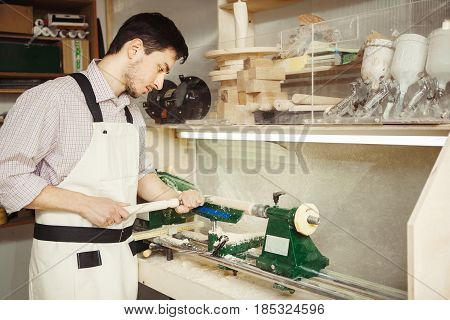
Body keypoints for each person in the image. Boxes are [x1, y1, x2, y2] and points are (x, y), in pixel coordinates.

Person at [0, 12, 203, 300]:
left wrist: (172, 197)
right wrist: (85, 204)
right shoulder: (52, 98)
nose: (159, 84)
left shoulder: (132, 113)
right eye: (160, 68)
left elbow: (140, 174)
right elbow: (6, 177)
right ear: (134, 50)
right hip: (68, 265)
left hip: (121, 260)